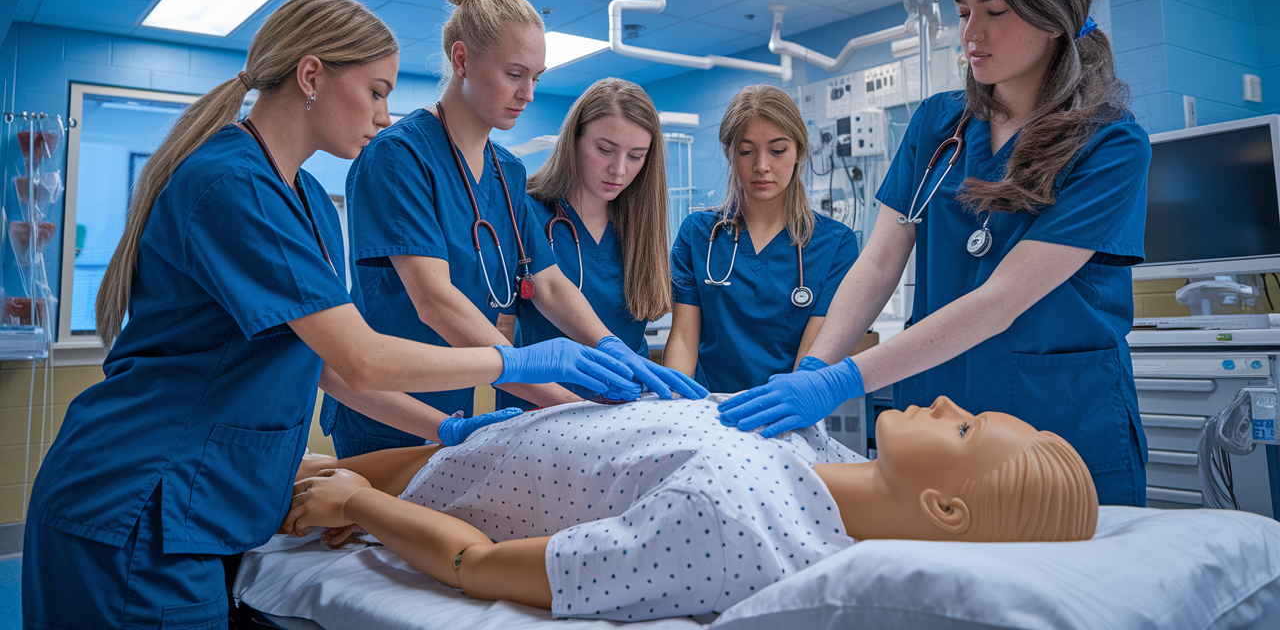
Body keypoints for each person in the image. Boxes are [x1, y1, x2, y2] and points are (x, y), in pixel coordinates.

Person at [21, 0, 659, 630]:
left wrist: (450, 432)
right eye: (376, 91)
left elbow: (333, 369)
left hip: (202, 505)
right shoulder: (232, 184)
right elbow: (362, 354)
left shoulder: (310, 206)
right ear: (310, 77)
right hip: (138, 499)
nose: (385, 115)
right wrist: (513, 360)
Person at [717, 0, 1150, 507]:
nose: (970, 32)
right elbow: (877, 263)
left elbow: (1001, 300)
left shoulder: (1110, 146)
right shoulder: (938, 126)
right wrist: (813, 370)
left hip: (1059, 419)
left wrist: (846, 380)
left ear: (1052, 17)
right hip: (939, 414)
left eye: (993, 11)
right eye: (963, 10)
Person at [325, 0, 703, 457]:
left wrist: (608, 345)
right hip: (385, 408)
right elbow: (433, 301)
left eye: (536, 77)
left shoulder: (507, 173)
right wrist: (553, 393)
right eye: (513, 74)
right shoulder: (398, 156)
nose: (527, 94)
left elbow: (547, 283)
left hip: (456, 402)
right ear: (461, 59)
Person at [284, 395, 1098, 622]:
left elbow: (478, 566)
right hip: (483, 440)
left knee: (235, 506)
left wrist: (361, 503)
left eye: (963, 428)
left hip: (431, 490)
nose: (947, 400)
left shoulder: (740, 531)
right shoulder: (826, 448)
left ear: (947, 512)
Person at [664, 84, 859, 393]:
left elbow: (811, 360)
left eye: (777, 150)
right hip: (706, 411)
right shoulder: (698, 234)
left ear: (798, 151)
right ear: (730, 154)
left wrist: (781, 415)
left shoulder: (835, 245)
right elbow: (684, 340)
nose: (762, 166)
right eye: (746, 151)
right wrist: (676, 407)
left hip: (786, 412)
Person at [496, 77, 672, 410]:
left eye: (636, 156)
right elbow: (500, 331)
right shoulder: (526, 212)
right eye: (605, 150)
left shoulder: (640, 229)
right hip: (541, 415)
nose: (618, 170)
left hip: (625, 413)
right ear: (574, 141)